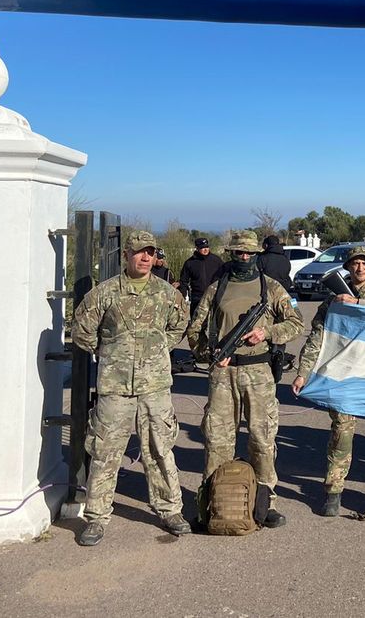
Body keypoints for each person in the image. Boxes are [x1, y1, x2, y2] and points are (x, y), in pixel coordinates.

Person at [72, 231, 191, 544]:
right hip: (115, 388)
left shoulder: (167, 294)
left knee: (160, 450)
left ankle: (169, 510)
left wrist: (158, 349)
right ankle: (96, 517)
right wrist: (110, 353)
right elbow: (82, 331)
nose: (145, 258)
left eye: (150, 252)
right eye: (139, 252)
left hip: (155, 388)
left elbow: (179, 325)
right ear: (126, 255)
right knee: (105, 452)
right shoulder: (105, 293)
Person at [187, 230, 303, 529]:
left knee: (262, 441)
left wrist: (268, 333)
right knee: (217, 441)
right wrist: (208, 354)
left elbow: (295, 323)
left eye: (250, 253)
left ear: (257, 254)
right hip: (223, 374)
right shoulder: (217, 289)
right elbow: (195, 329)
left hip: (259, 373)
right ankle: (211, 506)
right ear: (231, 254)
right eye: (239, 253)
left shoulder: (271, 288)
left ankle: (266, 504)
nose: (245, 258)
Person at [292, 246, 365, 517]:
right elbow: (317, 336)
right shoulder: (333, 300)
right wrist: (303, 372)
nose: (360, 268)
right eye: (355, 263)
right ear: (348, 267)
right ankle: (333, 491)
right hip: (344, 375)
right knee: (341, 434)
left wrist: (358, 304)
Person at [179, 237, 224, 316]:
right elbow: (183, 281)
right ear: (197, 248)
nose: (205, 249)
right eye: (202, 248)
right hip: (197, 297)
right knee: (196, 321)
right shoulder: (189, 263)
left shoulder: (216, 260)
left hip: (215, 296)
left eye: (207, 247)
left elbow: (225, 276)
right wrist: (183, 297)